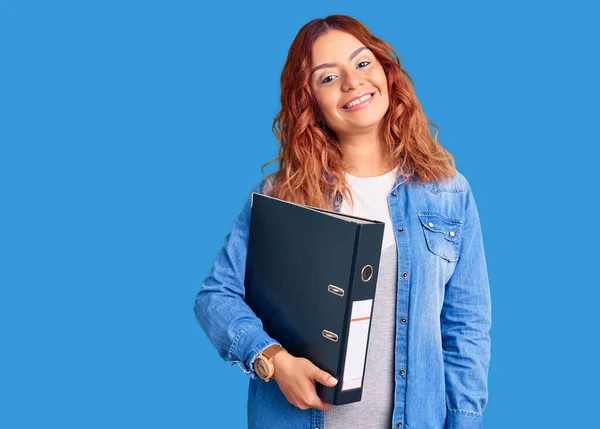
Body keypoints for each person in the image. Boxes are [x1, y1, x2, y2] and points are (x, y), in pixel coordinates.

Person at [193, 14, 491, 429]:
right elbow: (215, 297)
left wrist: (464, 422)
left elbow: (467, 330)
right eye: (328, 78)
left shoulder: (448, 193)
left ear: (387, 72)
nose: (353, 83)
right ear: (309, 102)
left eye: (362, 63)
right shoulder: (281, 195)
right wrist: (272, 361)